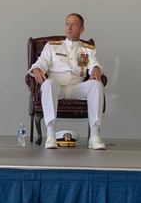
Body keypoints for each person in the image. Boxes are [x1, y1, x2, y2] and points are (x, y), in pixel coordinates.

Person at [29, 13, 106, 150]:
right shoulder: (52, 46)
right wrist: (36, 69)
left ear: (81, 29)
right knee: (48, 83)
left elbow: (95, 64)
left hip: (77, 88)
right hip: (57, 87)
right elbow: (41, 63)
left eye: (73, 25)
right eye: (67, 24)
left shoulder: (87, 49)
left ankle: (94, 136)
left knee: (96, 85)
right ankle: (51, 134)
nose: (69, 28)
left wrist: (95, 68)